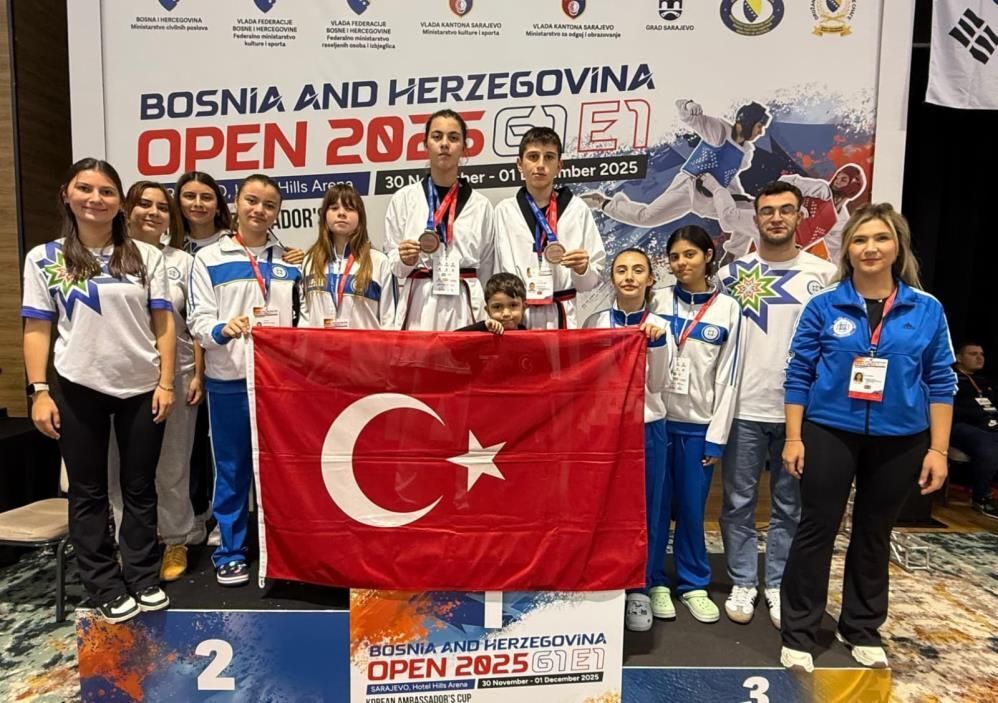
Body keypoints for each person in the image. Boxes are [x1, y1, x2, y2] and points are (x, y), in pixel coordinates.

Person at [780, 203, 955, 672]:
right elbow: (798, 373)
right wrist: (794, 438)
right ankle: (799, 630)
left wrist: (938, 449)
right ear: (848, 250)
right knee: (817, 528)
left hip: (902, 437)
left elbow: (941, 380)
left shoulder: (927, 309)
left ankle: (861, 627)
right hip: (829, 430)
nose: (870, 248)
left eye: (880, 238)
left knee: (874, 532)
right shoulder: (824, 305)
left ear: (898, 247)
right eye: (859, 240)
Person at [21, 158, 176, 622]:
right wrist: (39, 391)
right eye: (85, 189)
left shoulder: (146, 256)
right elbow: (37, 328)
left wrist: (166, 381)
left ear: (119, 202)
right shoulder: (44, 258)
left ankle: (143, 575)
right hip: (77, 386)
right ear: (67, 195)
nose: (96, 199)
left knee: (139, 487)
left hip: (142, 387)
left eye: (107, 191)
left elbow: (164, 323)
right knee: (87, 491)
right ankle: (104, 583)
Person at [717, 181, 836, 629]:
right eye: (767, 211)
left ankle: (779, 583)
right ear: (756, 218)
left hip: (799, 414)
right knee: (738, 502)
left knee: (790, 506)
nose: (776, 218)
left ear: (800, 215)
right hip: (743, 408)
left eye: (786, 210)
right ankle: (744, 580)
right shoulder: (731, 275)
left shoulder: (825, 276)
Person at [188, 173, 301, 587]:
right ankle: (231, 551)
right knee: (232, 469)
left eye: (269, 205)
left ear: (278, 212)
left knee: (281, 471)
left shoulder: (289, 262)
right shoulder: (208, 258)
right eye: (252, 201)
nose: (260, 210)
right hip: (229, 379)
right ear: (236, 203)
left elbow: (300, 320)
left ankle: (286, 552)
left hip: (278, 385)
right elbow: (198, 320)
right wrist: (222, 329)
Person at [107, 181, 202, 582]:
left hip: (176, 372)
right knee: (119, 465)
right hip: (122, 374)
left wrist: (197, 373)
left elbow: (196, 322)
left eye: (162, 207)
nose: (153, 212)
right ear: (127, 210)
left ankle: (177, 538)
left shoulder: (184, 261)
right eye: (144, 204)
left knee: (173, 462)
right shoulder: (106, 257)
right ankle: (129, 542)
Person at [649, 226, 742, 624]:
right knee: (654, 509)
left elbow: (728, 377)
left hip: (697, 427)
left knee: (691, 508)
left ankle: (693, 584)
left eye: (689, 254)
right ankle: (653, 581)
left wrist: (716, 438)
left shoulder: (728, 309)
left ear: (708, 255)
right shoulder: (657, 299)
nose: (681, 263)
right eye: (674, 256)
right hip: (657, 423)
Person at [583, 248, 670, 631]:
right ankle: (604, 577)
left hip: (647, 428)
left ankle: (640, 587)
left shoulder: (660, 325)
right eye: (621, 270)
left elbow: (659, 384)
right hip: (605, 430)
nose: (629, 276)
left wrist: (657, 345)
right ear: (612, 278)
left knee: (646, 509)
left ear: (650, 279)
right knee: (602, 507)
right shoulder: (595, 322)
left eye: (638, 270)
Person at [384, 109, 495, 330]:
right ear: (425, 144)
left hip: (466, 302)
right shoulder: (404, 199)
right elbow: (393, 266)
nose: (445, 144)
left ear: (464, 146)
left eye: (453, 138)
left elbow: (487, 268)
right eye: (437, 137)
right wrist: (405, 260)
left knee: (463, 353)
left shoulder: (481, 206)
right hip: (419, 301)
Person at [581, 99, 769, 229]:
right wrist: (688, 105)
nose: (761, 132)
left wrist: (739, 198)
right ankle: (602, 202)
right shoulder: (718, 130)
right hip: (687, 187)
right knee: (646, 218)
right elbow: (686, 114)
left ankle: (740, 253)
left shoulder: (746, 153)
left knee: (747, 216)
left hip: (709, 198)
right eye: (759, 126)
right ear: (746, 122)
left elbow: (728, 176)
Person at [494, 126, 606, 329]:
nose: (540, 165)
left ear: (559, 165)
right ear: (519, 164)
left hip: (563, 313)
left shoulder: (577, 209)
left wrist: (582, 269)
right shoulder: (504, 211)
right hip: (518, 315)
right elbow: (495, 273)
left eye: (549, 157)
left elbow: (590, 283)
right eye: (533, 157)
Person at [705, 164, 868, 262]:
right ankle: (715, 186)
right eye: (838, 176)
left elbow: (838, 253)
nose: (837, 180)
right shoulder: (822, 190)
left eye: (843, 179)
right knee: (729, 219)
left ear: (852, 188)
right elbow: (786, 181)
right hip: (772, 220)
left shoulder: (840, 221)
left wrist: (844, 281)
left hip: (783, 246)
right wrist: (795, 203)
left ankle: (731, 257)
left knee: (766, 268)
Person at [299, 184, 395, 330]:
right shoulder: (310, 260)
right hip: (319, 345)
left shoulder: (379, 261)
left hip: (365, 345)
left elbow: (389, 321)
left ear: (360, 218)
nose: (341, 213)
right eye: (334, 208)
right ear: (324, 215)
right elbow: (304, 318)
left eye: (349, 208)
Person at [950, 342, 998, 518]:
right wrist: (978, 416)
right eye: (973, 354)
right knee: (988, 444)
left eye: (982, 354)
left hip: (990, 426)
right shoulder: (950, 378)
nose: (979, 358)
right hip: (961, 426)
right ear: (959, 357)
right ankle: (981, 497)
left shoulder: (987, 383)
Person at [458, 273, 528, 334]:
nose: (506, 314)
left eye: (513, 305)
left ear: (523, 307)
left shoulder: (529, 338)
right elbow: (454, 338)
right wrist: (484, 326)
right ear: (488, 311)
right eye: (497, 307)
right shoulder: (482, 334)